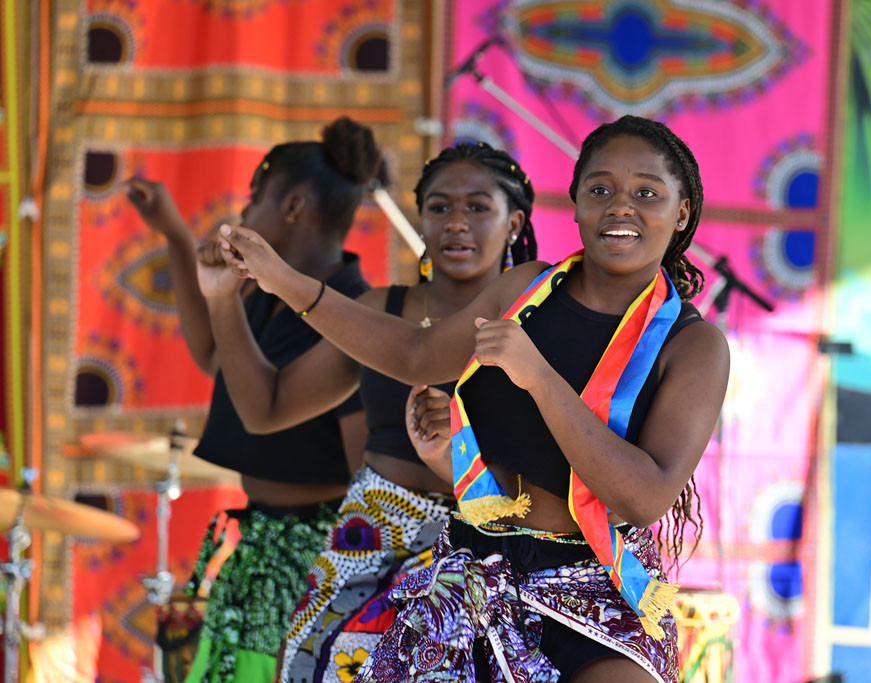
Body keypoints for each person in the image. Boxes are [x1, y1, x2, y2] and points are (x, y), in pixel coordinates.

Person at [218, 115, 729, 683]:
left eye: (647, 193)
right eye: (600, 189)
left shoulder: (694, 346)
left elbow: (643, 499)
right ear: (578, 206)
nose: (620, 207)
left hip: (596, 589)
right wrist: (281, 280)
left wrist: (537, 375)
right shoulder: (525, 289)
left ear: (682, 212)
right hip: (475, 568)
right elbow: (415, 353)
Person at [199, 141, 537, 682]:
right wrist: (220, 299)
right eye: (439, 207)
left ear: (514, 223)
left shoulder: (537, 317)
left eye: (478, 207)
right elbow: (266, 409)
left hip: (484, 546)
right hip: (368, 540)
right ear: (420, 221)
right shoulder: (383, 309)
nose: (456, 223)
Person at [123, 116, 381, 683]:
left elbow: (275, 416)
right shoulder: (267, 294)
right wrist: (173, 235)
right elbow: (219, 359)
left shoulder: (353, 314)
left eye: (253, 198)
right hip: (260, 544)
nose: (242, 214)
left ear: (292, 206)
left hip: (310, 559)